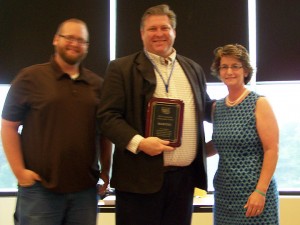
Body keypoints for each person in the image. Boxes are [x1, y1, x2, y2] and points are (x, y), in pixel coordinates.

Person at [97, 4, 213, 225]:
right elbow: (107, 117)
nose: (159, 33)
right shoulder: (121, 68)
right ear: (142, 33)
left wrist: (239, 106)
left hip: (183, 181)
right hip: (138, 181)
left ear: (174, 32)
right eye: (152, 29)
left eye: (165, 27)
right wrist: (139, 143)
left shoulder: (194, 69)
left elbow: (205, 108)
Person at [1, 18, 112, 225]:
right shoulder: (30, 78)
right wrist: (19, 172)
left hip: (85, 193)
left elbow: (105, 133)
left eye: (81, 40)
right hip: (39, 190)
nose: (74, 43)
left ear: (87, 47)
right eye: (69, 37)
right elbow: (8, 126)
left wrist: (105, 171)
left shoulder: (98, 85)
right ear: (55, 40)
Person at [209, 43, 279, 224]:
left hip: (254, 194)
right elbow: (218, 145)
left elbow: (272, 150)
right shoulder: (217, 107)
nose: (229, 71)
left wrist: (260, 191)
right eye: (224, 67)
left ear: (246, 71)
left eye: (235, 66)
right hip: (224, 193)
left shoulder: (259, 103)